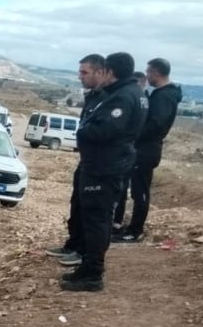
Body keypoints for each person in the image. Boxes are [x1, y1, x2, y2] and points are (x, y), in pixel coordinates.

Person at [61, 52, 145, 292]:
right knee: (97, 218)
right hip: (108, 164)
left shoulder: (123, 96)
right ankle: (88, 267)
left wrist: (84, 131)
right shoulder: (133, 93)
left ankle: (92, 273)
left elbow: (105, 131)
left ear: (109, 71)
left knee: (97, 219)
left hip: (103, 167)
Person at [46, 54, 108, 268]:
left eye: (84, 72)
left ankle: (86, 256)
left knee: (92, 214)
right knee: (77, 206)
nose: (79, 76)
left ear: (100, 72)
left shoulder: (108, 98)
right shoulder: (93, 96)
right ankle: (74, 245)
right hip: (87, 161)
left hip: (100, 165)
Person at [115, 58, 182, 243]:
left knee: (140, 192)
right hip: (144, 148)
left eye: (149, 71)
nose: (147, 75)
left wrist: (135, 134)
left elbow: (156, 124)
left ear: (156, 73)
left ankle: (134, 231)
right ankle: (129, 227)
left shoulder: (164, 96)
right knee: (136, 190)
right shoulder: (162, 94)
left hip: (147, 150)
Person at [111, 71, 150, 231]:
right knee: (122, 187)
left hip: (132, 151)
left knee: (127, 188)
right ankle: (117, 220)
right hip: (130, 150)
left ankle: (120, 222)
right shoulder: (143, 99)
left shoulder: (137, 99)